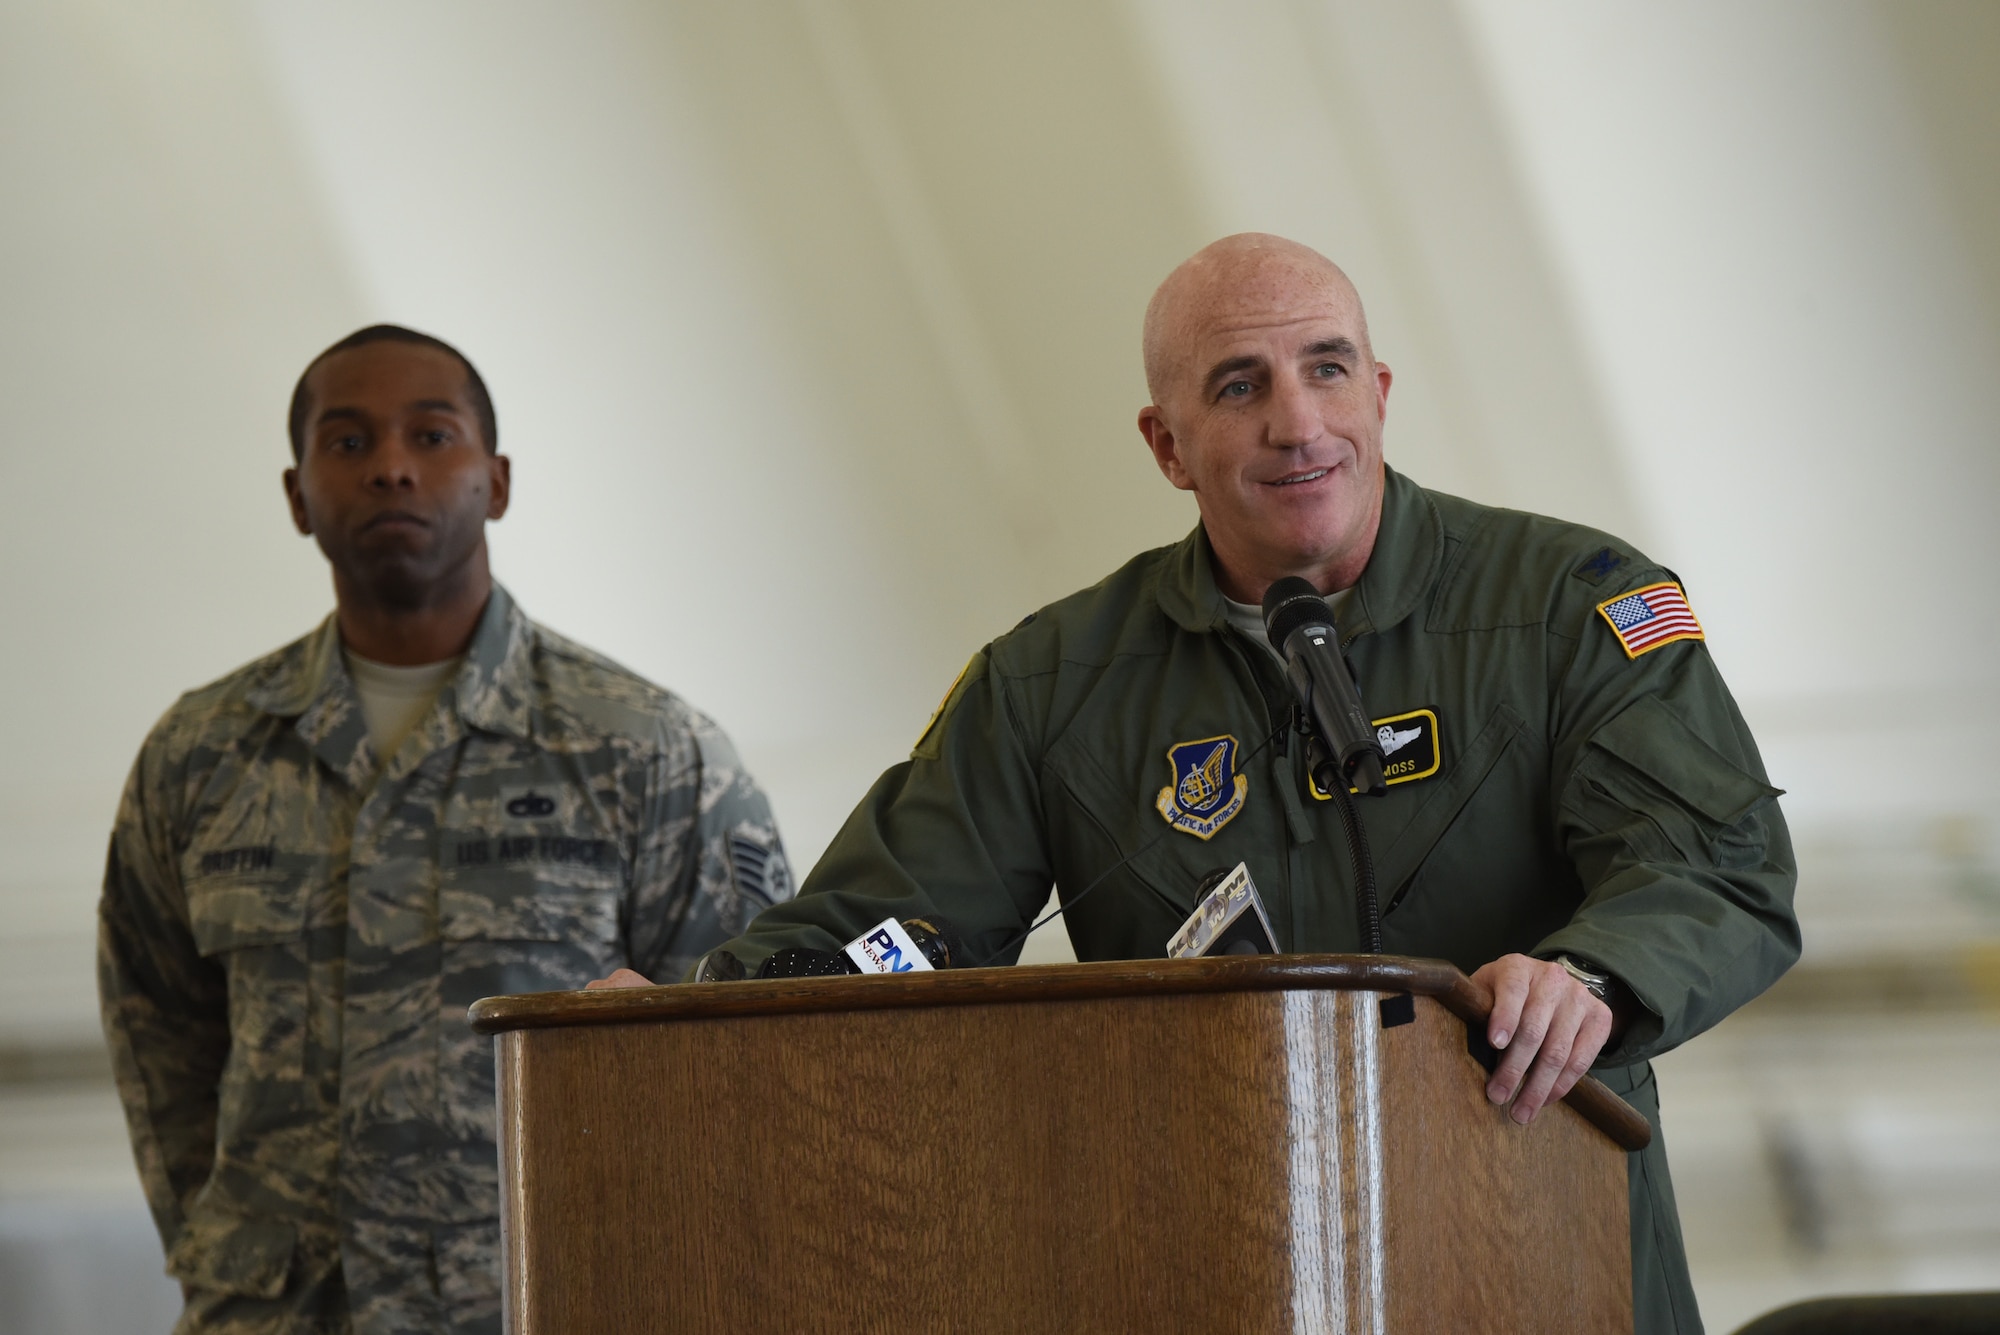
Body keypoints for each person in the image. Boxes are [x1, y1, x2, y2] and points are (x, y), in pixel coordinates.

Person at [604, 234, 1799, 1334]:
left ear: (1379, 396)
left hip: (1539, 1241)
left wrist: (1588, 973)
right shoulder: (1051, 683)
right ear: (1165, 444)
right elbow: (895, 933)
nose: (1296, 422)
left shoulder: (1566, 604)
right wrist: (693, 1018)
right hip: (1209, 1268)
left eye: (1326, 370)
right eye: (1238, 385)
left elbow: (1715, 873)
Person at [98, 325, 792, 1335]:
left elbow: (744, 1054)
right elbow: (157, 1035)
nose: (389, 468)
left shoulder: (643, 748)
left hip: (541, 1304)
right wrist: (228, 1247)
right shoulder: (203, 755)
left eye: (431, 436)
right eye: (347, 443)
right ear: (296, 496)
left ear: (497, 481)